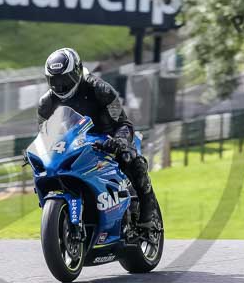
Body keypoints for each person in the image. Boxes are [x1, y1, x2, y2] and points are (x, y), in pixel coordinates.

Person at [37, 47, 158, 226]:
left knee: (132, 160)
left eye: (65, 79)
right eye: (54, 81)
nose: (60, 86)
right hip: (73, 146)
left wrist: (119, 142)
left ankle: (149, 215)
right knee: (49, 172)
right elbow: (43, 135)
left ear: (77, 72)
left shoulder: (100, 90)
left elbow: (124, 123)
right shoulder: (46, 104)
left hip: (107, 139)